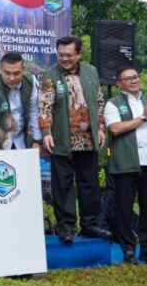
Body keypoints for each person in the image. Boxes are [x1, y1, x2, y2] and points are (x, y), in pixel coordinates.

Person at [39, 35, 111, 244]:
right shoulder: (49, 75)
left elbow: (98, 101)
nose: (65, 59)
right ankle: (66, 228)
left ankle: (90, 225)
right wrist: (46, 133)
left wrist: (100, 128)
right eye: (61, 55)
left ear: (79, 54)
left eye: (69, 55)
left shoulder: (91, 71)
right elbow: (45, 106)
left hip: (88, 138)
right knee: (63, 185)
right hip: (62, 139)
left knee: (89, 184)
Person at [104, 66, 147, 264]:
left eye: (135, 77)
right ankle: (128, 250)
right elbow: (115, 129)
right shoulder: (113, 104)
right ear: (119, 83)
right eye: (128, 78)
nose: (133, 80)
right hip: (125, 163)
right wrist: (143, 116)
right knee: (124, 209)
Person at [0, 51, 42, 150]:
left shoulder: (30, 82)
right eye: (7, 73)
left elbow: (33, 111)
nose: (12, 78)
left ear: (23, 70)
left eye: (16, 73)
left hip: (20, 141)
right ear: (0, 69)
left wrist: (37, 140)